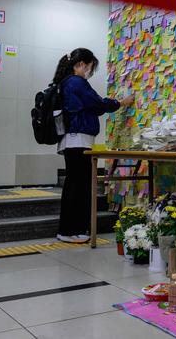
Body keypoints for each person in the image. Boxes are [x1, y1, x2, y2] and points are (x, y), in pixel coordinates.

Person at [52, 48, 134, 243]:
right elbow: (98, 104)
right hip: (78, 140)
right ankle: (72, 230)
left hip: (72, 140)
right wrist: (121, 102)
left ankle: (69, 229)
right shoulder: (76, 82)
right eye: (89, 67)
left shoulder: (65, 83)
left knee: (74, 185)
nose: (89, 72)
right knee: (79, 186)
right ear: (80, 65)